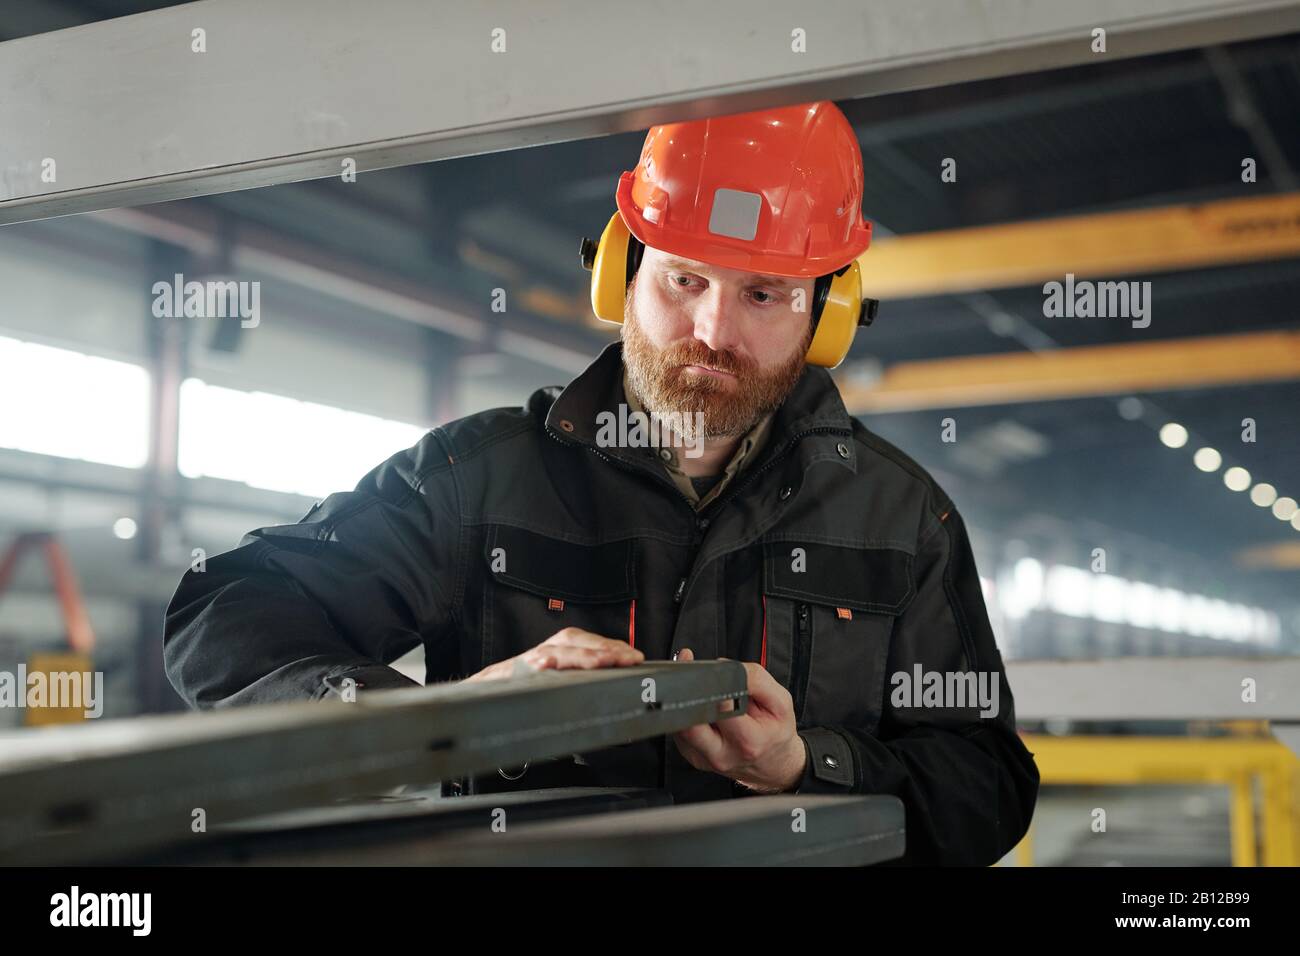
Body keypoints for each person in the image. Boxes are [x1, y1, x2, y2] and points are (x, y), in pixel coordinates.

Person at [163, 100, 1039, 865]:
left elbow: (988, 784)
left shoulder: (900, 516)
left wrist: (804, 764)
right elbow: (222, 615)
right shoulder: (476, 481)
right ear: (622, 271)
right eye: (684, 278)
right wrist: (445, 720)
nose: (710, 330)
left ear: (829, 314)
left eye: (764, 295)